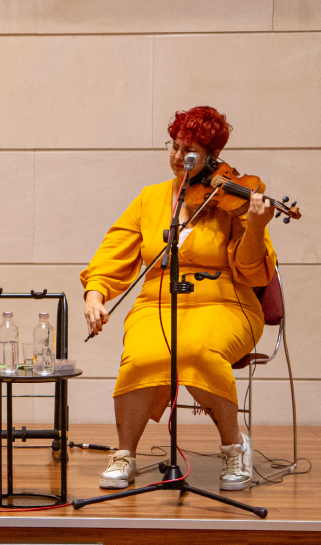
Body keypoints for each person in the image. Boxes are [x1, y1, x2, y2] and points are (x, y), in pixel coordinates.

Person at [81, 106, 276, 492]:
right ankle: (125, 454)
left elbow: (254, 272)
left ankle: (233, 447)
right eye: (173, 146)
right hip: (158, 300)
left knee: (197, 351)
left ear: (211, 156)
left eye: (188, 151)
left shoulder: (234, 200)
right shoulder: (150, 199)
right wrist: (95, 293)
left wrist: (255, 225)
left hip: (225, 301)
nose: (177, 157)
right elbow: (113, 251)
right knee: (142, 355)